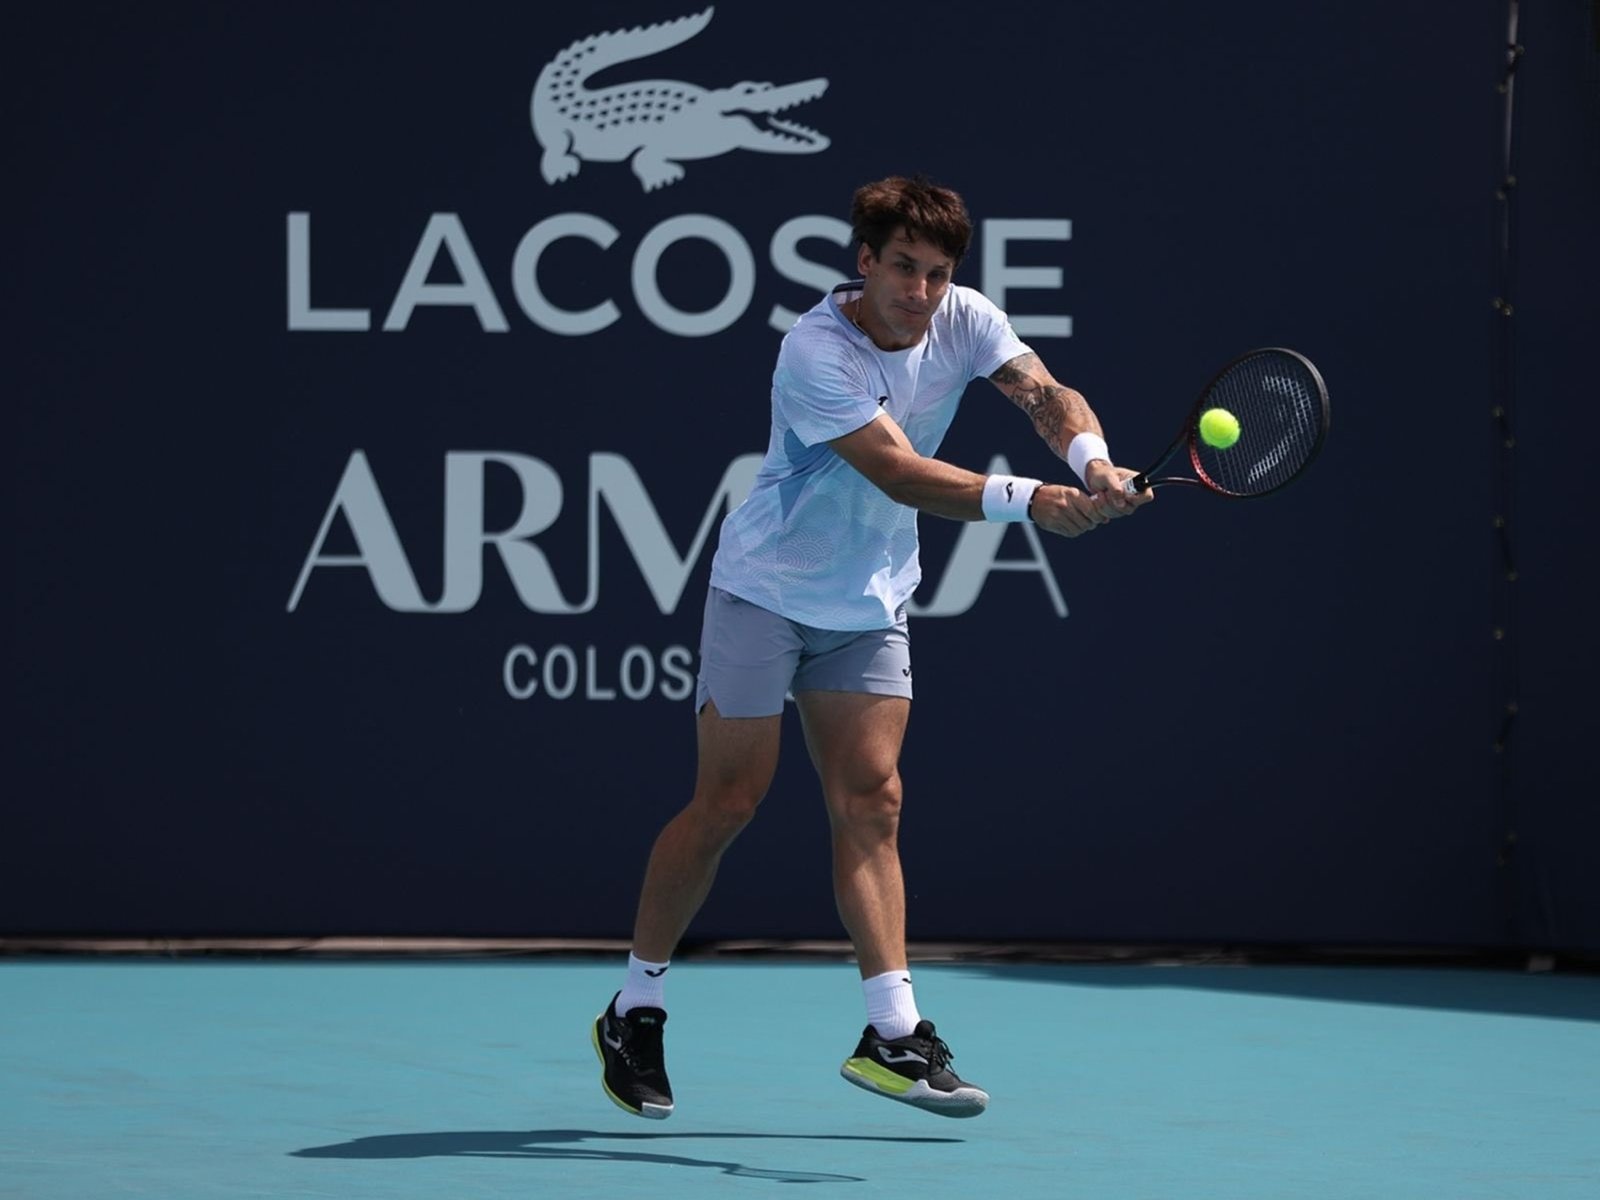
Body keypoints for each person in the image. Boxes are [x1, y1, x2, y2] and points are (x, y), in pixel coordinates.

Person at [591, 174, 1152, 1120]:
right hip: (764, 591)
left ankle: (892, 1035)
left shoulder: (965, 319)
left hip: (870, 601)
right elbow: (895, 471)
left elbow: (1046, 394)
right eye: (903, 268)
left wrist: (1090, 464)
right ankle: (634, 1005)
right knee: (729, 801)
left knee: (874, 802)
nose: (921, 292)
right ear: (864, 262)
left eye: (937, 274)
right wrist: (1034, 502)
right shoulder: (815, 349)